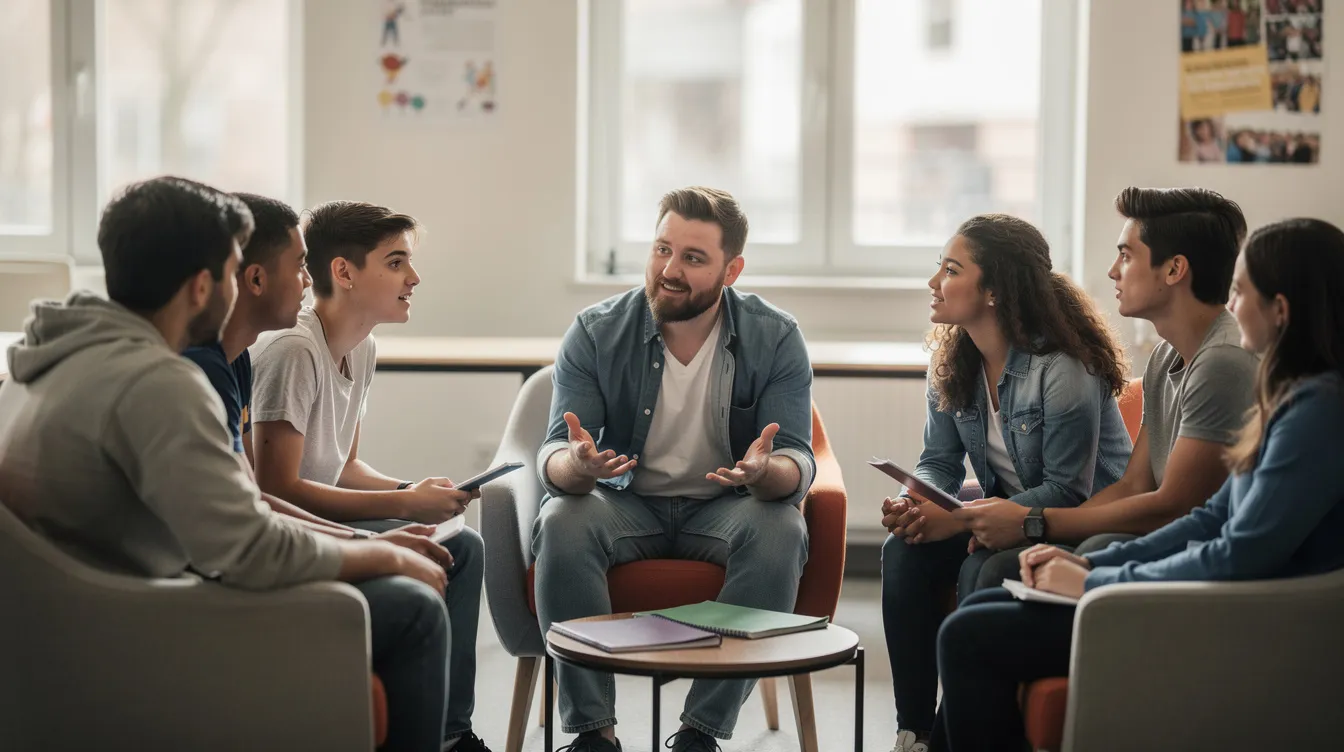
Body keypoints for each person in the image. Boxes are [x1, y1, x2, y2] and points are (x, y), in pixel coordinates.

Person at [0, 177, 452, 752]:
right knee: (412, 609)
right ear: (202, 286)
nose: (250, 281)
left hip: (66, 625)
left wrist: (370, 543)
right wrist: (381, 551)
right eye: (238, 265)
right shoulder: (158, 384)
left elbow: (239, 511)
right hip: (130, 632)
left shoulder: (50, 360)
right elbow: (250, 549)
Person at [931, 217, 1344, 751]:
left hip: (1251, 620)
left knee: (967, 637)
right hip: (1224, 599)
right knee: (981, 611)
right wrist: (1092, 565)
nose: (1231, 304)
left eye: (1241, 291)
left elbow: (1240, 552)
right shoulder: (1293, 396)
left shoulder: (1318, 412)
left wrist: (1100, 584)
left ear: (1280, 311)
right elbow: (1212, 517)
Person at [533, 187, 814, 752]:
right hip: (625, 503)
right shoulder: (594, 330)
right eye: (663, 249)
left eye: (693, 257)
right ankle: (593, 734)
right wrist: (578, 464)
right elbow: (552, 458)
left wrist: (767, 472)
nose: (669, 269)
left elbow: (798, 460)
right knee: (563, 519)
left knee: (780, 527)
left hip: (725, 509)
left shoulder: (776, 335)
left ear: (731, 269)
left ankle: (699, 735)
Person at [880, 214, 1133, 752]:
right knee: (901, 550)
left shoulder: (1064, 368)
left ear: (994, 290)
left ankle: (952, 736)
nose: (933, 283)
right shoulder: (954, 359)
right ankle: (914, 732)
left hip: (1074, 524)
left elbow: (1069, 489)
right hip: (1004, 512)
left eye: (950, 270)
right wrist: (914, 501)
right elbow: (938, 462)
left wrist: (962, 517)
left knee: (985, 565)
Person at [248, 200, 490, 751]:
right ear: (344, 272)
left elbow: (344, 466)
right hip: (298, 529)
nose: (414, 277)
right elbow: (277, 487)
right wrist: (406, 509)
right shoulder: (292, 350)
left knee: (465, 546)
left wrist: (411, 492)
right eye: (396, 262)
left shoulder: (363, 347)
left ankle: (453, 733)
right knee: (442, 550)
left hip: (323, 514)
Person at [957, 187, 1258, 592]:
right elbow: (1135, 484)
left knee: (1004, 569)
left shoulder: (1222, 361)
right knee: (996, 562)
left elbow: (1172, 506)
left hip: (1200, 555)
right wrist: (1038, 529)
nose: (1114, 270)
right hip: (1164, 531)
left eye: (1126, 255)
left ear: (1174, 270)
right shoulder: (1165, 355)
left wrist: (1034, 524)